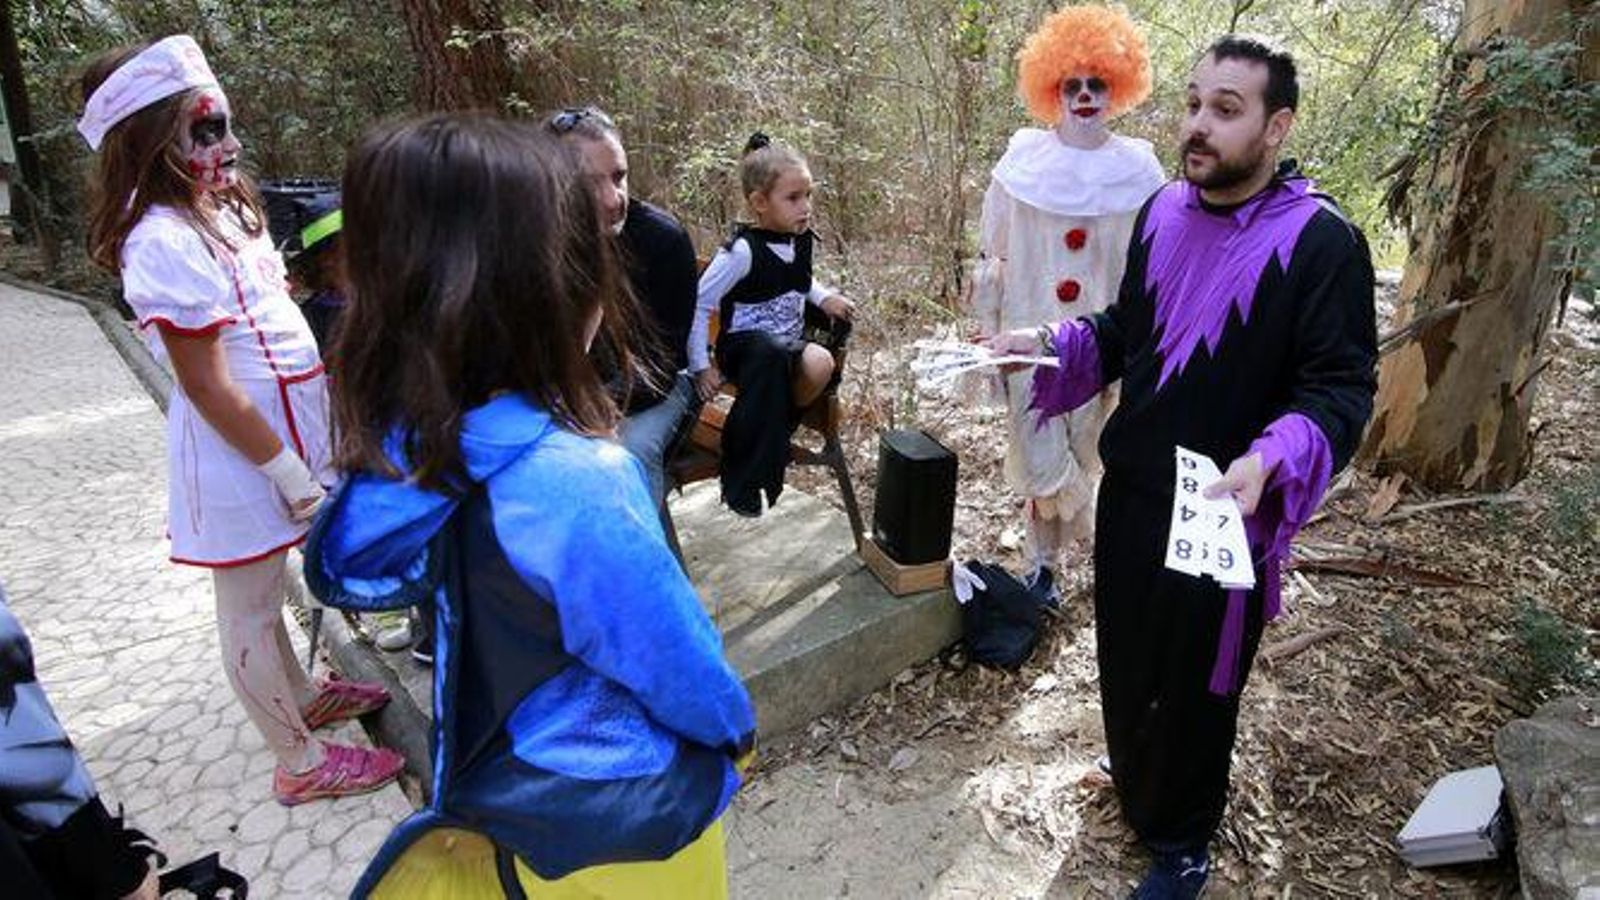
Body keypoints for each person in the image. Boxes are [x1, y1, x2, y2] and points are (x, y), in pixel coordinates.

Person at [304, 113, 756, 898]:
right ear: (556, 294)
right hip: (626, 831)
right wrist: (735, 732)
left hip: (506, 813)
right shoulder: (576, 484)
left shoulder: (412, 453)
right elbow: (672, 659)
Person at [986, 35, 1377, 898]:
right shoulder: (1162, 209)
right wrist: (1047, 345)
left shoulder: (1322, 242)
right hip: (1135, 487)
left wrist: (1272, 458)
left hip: (1225, 509)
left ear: (1277, 126)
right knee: (1128, 654)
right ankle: (1137, 779)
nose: (1199, 124)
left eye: (1226, 110)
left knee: (1200, 682)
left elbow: (1340, 389)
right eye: (1195, 103)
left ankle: (1183, 842)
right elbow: (1126, 331)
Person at [78, 35, 401, 807]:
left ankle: (304, 697)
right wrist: (288, 474)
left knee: (268, 588)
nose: (227, 145)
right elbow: (207, 383)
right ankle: (299, 760)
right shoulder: (160, 241)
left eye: (225, 125)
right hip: (242, 454)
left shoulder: (218, 207)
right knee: (250, 610)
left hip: (285, 435)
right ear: (150, 139)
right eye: (205, 130)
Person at [970, 4, 1165, 592]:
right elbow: (993, 258)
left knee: (1083, 448)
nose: (1084, 95)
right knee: (1040, 456)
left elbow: (1153, 268)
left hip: (1100, 341)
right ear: (1052, 89)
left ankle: (1045, 570)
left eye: (1097, 83)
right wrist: (986, 338)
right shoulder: (1023, 161)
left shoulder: (1139, 169)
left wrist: (1144, 346)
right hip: (1026, 335)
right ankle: (1067, 543)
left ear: (1117, 88)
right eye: (1071, 84)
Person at [688, 133, 856, 517]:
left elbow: (797, 278)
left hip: (785, 348)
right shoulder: (742, 251)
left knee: (820, 362)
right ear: (760, 203)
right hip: (745, 350)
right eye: (793, 198)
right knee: (770, 352)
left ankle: (771, 432)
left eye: (808, 195)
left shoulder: (799, 240)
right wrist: (700, 365)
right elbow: (699, 302)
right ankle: (745, 473)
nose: (806, 207)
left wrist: (823, 297)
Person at [545, 105, 702, 509]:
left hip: (660, 391)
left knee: (622, 457)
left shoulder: (661, 240)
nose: (613, 199)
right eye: (588, 184)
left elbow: (664, 365)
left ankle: (635, 547)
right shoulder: (535, 240)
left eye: (619, 177)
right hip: (565, 394)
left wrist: (585, 411)